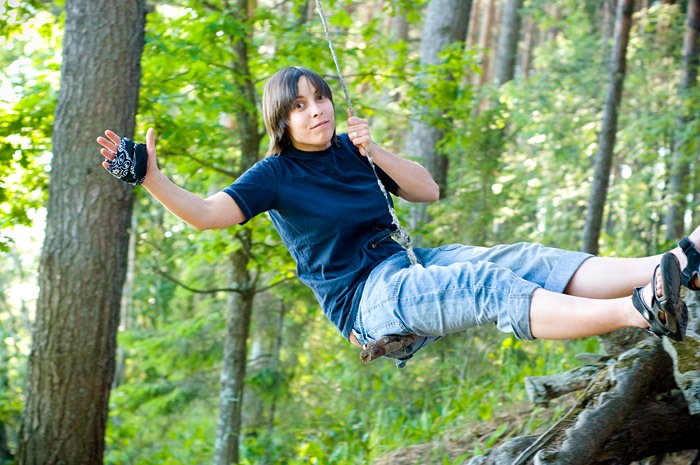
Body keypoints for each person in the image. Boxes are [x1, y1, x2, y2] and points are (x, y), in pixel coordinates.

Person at [98, 66, 692, 368]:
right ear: (281, 120)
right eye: (299, 105)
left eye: (321, 97)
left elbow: (427, 190)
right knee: (485, 284)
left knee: (521, 259)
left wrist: (374, 150)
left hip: (411, 264)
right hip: (369, 303)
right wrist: (151, 178)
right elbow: (206, 214)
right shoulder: (273, 174)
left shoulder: (351, 151)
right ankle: (641, 311)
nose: (316, 110)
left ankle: (672, 265)